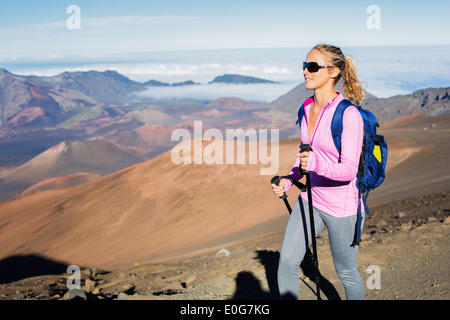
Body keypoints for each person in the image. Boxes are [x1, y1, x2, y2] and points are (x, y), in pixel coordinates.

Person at [271, 44, 366, 300]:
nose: (305, 71)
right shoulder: (304, 108)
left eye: (312, 67)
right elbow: (305, 155)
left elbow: (348, 170)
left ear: (333, 71)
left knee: (345, 272)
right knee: (287, 263)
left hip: (342, 207)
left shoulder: (348, 115)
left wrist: (315, 166)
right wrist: (290, 179)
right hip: (310, 200)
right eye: (304, 65)